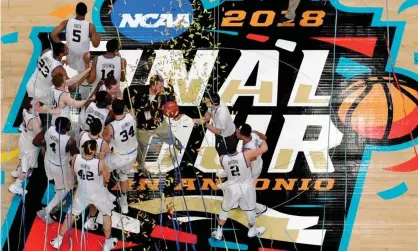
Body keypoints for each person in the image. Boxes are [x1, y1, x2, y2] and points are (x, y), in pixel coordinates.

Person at [50, 140, 118, 250]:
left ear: (83, 147)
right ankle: (108, 242)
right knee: (106, 215)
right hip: (98, 193)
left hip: (82, 193)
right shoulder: (99, 163)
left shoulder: (75, 158)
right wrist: (101, 159)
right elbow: (107, 177)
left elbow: (73, 172)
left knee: (71, 214)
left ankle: (59, 239)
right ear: (95, 151)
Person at [212, 141, 268, 240]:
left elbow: (226, 171)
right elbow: (264, 149)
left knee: (225, 209)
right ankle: (252, 230)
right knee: (250, 209)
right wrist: (261, 141)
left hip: (232, 187)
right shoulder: (245, 155)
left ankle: (219, 232)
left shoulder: (222, 159)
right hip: (246, 187)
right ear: (236, 147)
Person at [123, 75, 178, 171]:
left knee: (171, 138)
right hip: (143, 128)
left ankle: (177, 150)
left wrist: (173, 109)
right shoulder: (140, 90)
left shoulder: (164, 92)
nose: (162, 88)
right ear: (153, 85)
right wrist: (131, 107)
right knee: (142, 148)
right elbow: (126, 91)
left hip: (159, 124)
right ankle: (141, 166)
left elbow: (172, 101)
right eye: (160, 86)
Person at [50, 2, 101, 100]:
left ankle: (67, 91)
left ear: (75, 11)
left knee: (75, 75)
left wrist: (62, 45)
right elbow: (96, 45)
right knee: (86, 79)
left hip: (70, 58)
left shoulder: (67, 22)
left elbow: (53, 35)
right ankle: (84, 98)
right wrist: (97, 37)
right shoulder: (90, 26)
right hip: (83, 60)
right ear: (86, 12)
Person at [33, 117, 78, 224]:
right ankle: (47, 211)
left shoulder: (48, 128)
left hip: (48, 161)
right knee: (65, 189)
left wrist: (44, 145)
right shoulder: (70, 141)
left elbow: (35, 142)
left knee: (61, 183)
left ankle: (59, 190)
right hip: (59, 167)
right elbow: (76, 156)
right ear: (65, 128)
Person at [102, 98, 138, 214]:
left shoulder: (111, 127)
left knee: (101, 172)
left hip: (118, 157)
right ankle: (124, 203)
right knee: (123, 177)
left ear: (112, 109)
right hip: (132, 153)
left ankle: (104, 198)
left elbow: (105, 144)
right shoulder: (131, 116)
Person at [9, 97, 41, 195]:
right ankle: (16, 186)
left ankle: (19, 169)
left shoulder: (25, 110)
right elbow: (38, 137)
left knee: (23, 158)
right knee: (26, 170)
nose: (38, 103)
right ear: (31, 108)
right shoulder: (34, 121)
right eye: (35, 103)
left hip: (24, 139)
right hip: (30, 146)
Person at [235, 123, 268, 216]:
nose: (236, 132)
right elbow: (264, 138)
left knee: (245, 190)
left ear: (242, 135)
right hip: (258, 164)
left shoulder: (248, 150)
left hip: (252, 171)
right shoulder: (254, 133)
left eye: (238, 132)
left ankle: (260, 208)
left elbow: (246, 165)